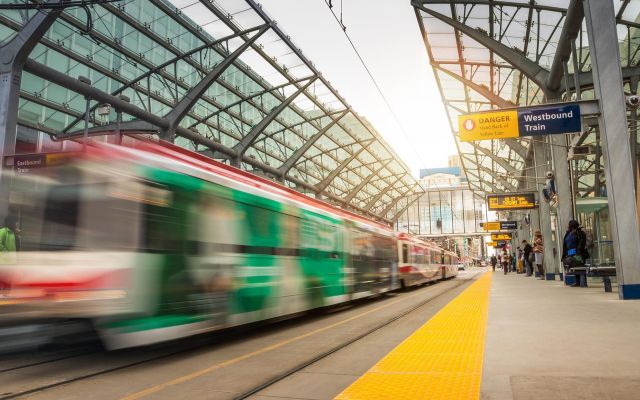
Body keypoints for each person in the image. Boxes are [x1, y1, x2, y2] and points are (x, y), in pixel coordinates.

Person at [562, 220, 590, 287]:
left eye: (569, 225)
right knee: (573, 267)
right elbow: (565, 243)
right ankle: (577, 282)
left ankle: (583, 282)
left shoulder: (580, 233)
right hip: (569, 253)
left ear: (572, 226)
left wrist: (578, 251)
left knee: (580, 266)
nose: (568, 226)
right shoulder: (568, 233)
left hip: (578, 253)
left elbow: (582, 243)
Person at [0, 216, 20, 296]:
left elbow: (16, 247)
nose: (16, 225)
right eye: (15, 223)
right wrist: (6, 253)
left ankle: (6, 294)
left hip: (12, 261)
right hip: (3, 261)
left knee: (9, 280)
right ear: (10, 223)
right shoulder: (3, 231)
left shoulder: (14, 233)